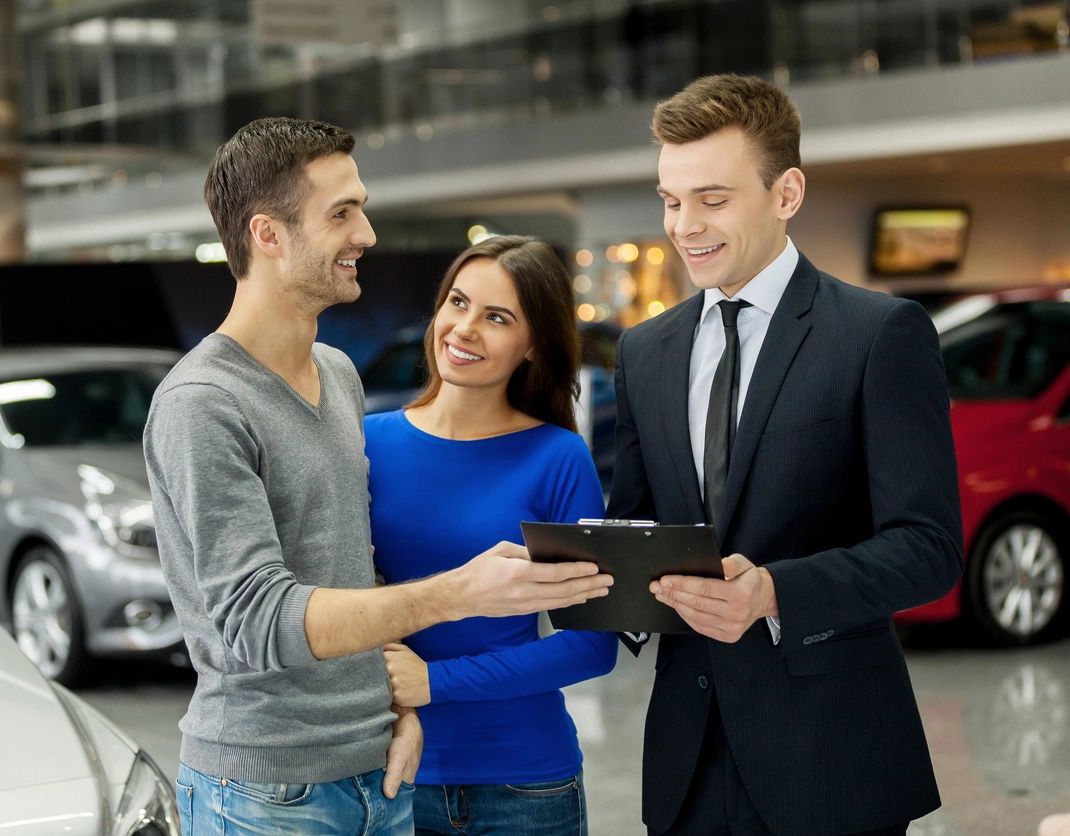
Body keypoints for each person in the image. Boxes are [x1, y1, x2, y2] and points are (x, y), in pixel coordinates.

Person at [143, 118, 612, 836]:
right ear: (268, 235)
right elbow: (259, 620)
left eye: (360, 208)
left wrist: (399, 709)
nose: (365, 234)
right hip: (269, 790)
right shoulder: (202, 404)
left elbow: (356, 573)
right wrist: (459, 595)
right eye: (342, 213)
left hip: (379, 770)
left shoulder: (337, 375)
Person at [606, 75, 963, 835]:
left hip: (833, 757)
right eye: (671, 200)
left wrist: (772, 592)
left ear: (787, 193)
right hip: (687, 763)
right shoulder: (645, 351)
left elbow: (928, 549)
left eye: (713, 198)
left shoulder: (879, 334)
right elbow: (639, 523)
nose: (684, 225)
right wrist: (591, 580)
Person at [367, 236, 619, 836]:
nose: (465, 328)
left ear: (533, 346)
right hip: (389, 778)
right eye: (457, 302)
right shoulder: (366, 444)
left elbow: (592, 645)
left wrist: (434, 682)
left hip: (525, 785)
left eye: (497, 317)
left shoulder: (559, 457)